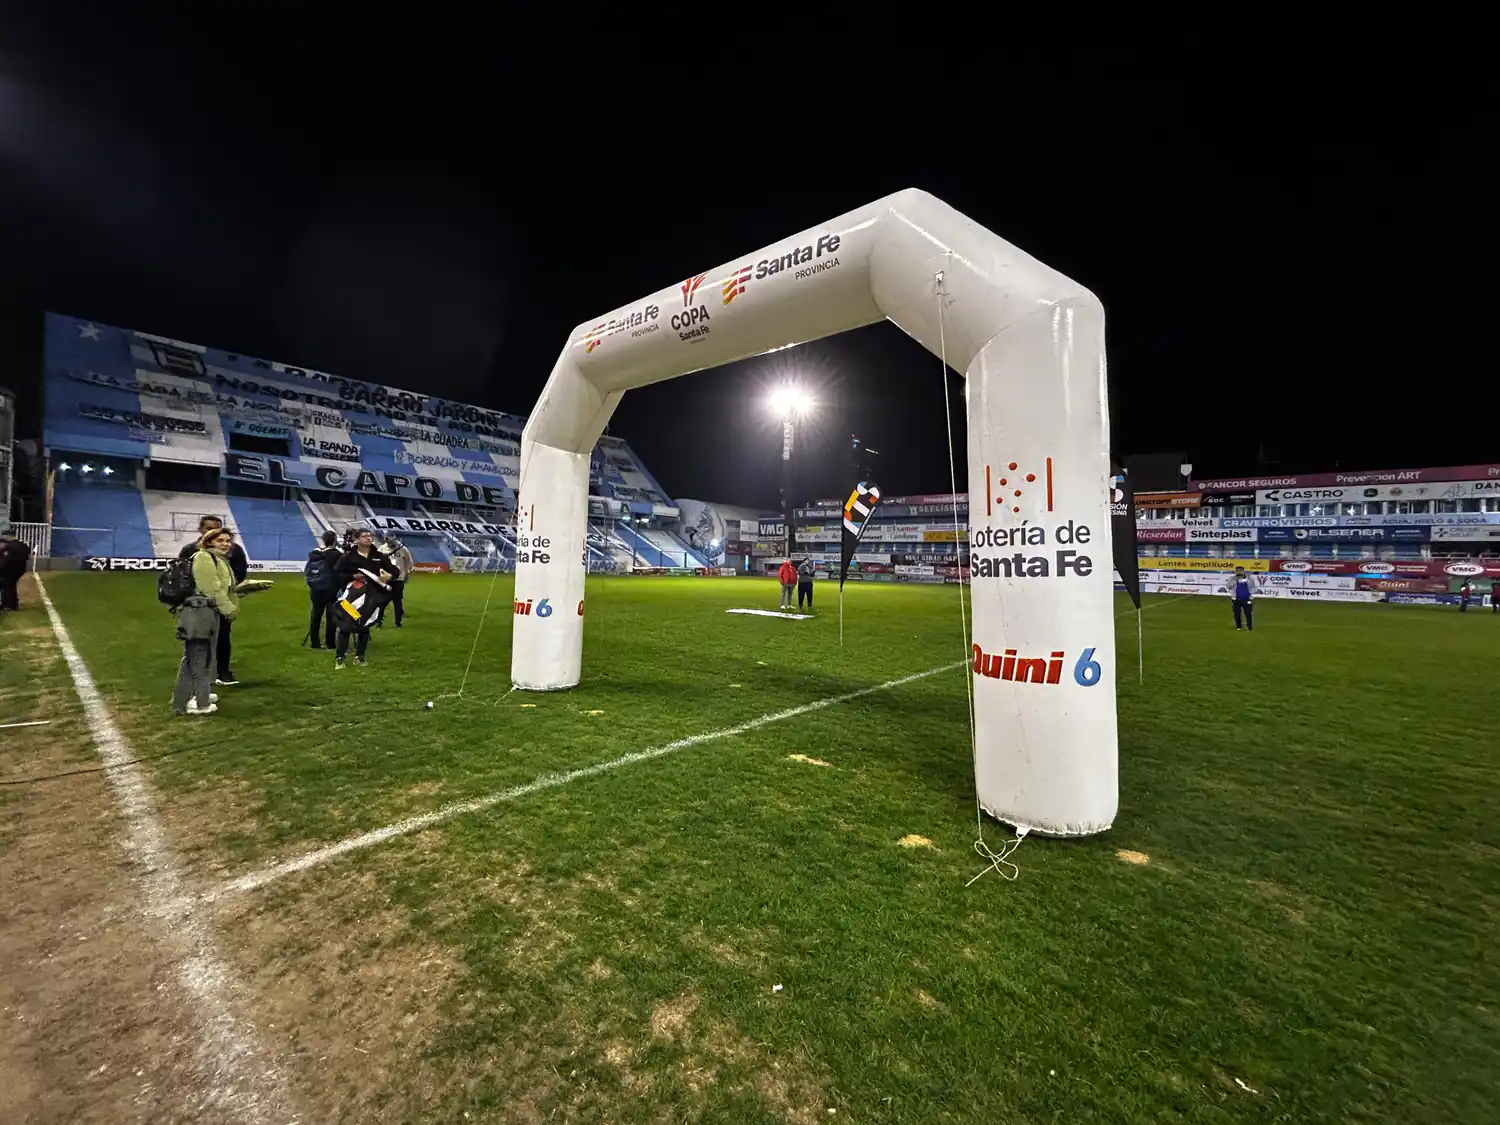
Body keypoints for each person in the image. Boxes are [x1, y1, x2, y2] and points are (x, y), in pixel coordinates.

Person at [172, 528, 238, 715]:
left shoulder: (216, 559)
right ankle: (199, 703)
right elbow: (211, 589)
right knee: (198, 657)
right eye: (220, 540)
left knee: (201, 657)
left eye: (227, 540)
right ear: (209, 542)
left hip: (207, 612)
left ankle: (189, 698)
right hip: (199, 613)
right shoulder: (203, 558)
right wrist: (229, 610)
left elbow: (222, 588)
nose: (225, 544)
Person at [179, 515, 247, 685]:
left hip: (218, 604)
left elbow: (238, 574)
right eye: (209, 529)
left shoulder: (231, 551)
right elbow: (207, 585)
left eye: (217, 528)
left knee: (221, 639)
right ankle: (191, 695)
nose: (224, 543)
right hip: (202, 607)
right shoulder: (196, 553)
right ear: (201, 530)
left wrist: (235, 590)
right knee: (199, 648)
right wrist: (227, 607)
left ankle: (219, 675)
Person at [333, 529, 398, 668]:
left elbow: (394, 571)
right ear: (356, 540)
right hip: (351, 597)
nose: (368, 538)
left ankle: (360, 657)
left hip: (370, 597)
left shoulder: (379, 556)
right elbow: (336, 574)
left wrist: (388, 576)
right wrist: (352, 577)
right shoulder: (348, 557)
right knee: (345, 627)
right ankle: (340, 658)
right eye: (364, 536)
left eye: (370, 536)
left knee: (364, 627)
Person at [305, 530, 343, 649]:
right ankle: (330, 643)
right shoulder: (336, 555)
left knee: (315, 617)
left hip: (316, 589)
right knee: (331, 618)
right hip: (331, 591)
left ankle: (314, 642)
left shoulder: (315, 554)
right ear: (335, 540)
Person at [379, 534, 414, 628]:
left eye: (392, 542)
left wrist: (406, 573)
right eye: (389, 542)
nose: (390, 544)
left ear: (395, 539)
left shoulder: (403, 549)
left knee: (397, 602)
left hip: (398, 579)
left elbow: (409, 561)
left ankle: (398, 623)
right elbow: (377, 561)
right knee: (382, 602)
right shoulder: (382, 549)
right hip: (385, 579)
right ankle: (379, 622)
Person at [0, 530, 32, 612]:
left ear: (8, 535)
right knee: (11, 586)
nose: (3, 537)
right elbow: (27, 557)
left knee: (7, 587)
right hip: (20, 569)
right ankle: (11, 604)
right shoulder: (23, 545)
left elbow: (5, 561)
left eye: (4, 535)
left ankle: (8, 605)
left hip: (8, 570)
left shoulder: (9, 547)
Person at [1230, 565, 1254, 631]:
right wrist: (1236, 580)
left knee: (1248, 614)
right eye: (1238, 571)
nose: (1239, 572)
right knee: (1236, 614)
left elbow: (1253, 586)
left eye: (1240, 571)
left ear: (1243, 571)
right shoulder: (1232, 578)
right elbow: (1229, 586)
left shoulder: (1249, 578)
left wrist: (1251, 594)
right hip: (1236, 599)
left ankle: (1249, 627)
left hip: (1247, 599)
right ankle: (1238, 627)